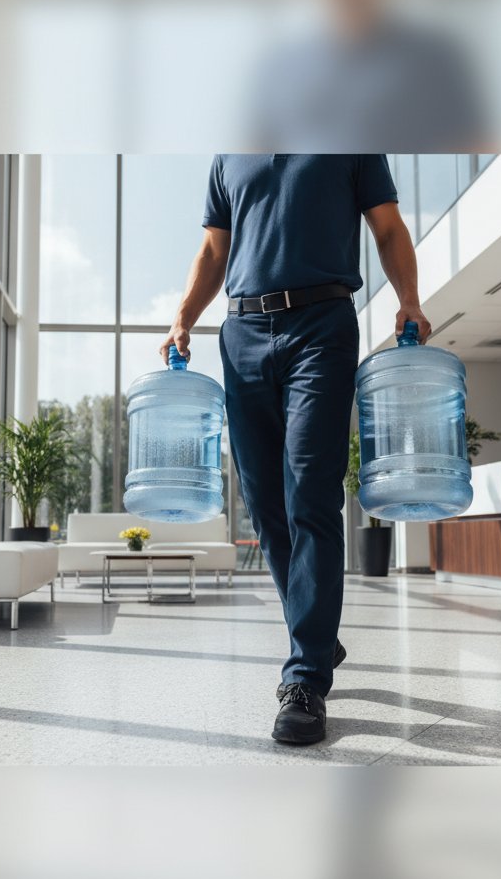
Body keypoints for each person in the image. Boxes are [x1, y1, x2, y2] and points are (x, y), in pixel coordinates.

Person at [160, 155, 429, 745]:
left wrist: (408, 297)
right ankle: (317, 634)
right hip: (243, 333)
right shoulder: (229, 153)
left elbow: (387, 227)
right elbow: (213, 251)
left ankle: (305, 677)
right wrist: (184, 318)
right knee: (263, 502)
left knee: (310, 490)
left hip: (321, 325)